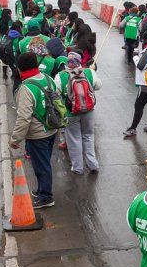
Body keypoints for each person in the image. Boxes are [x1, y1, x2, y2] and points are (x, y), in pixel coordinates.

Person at [9, 51, 59, 209]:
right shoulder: (48, 79)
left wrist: (15, 139)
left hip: (37, 135)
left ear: (20, 69)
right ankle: (42, 190)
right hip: (52, 129)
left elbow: (24, 118)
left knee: (42, 166)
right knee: (43, 164)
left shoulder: (26, 88)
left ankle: (46, 197)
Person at [54, 51, 102, 175]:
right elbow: (98, 86)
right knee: (88, 136)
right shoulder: (88, 72)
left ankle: (78, 168)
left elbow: (56, 92)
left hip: (71, 113)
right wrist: (92, 72)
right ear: (80, 61)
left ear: (67, 62)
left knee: (74, 139)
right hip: (89, 111)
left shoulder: (61, 75)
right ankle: (92, 164)